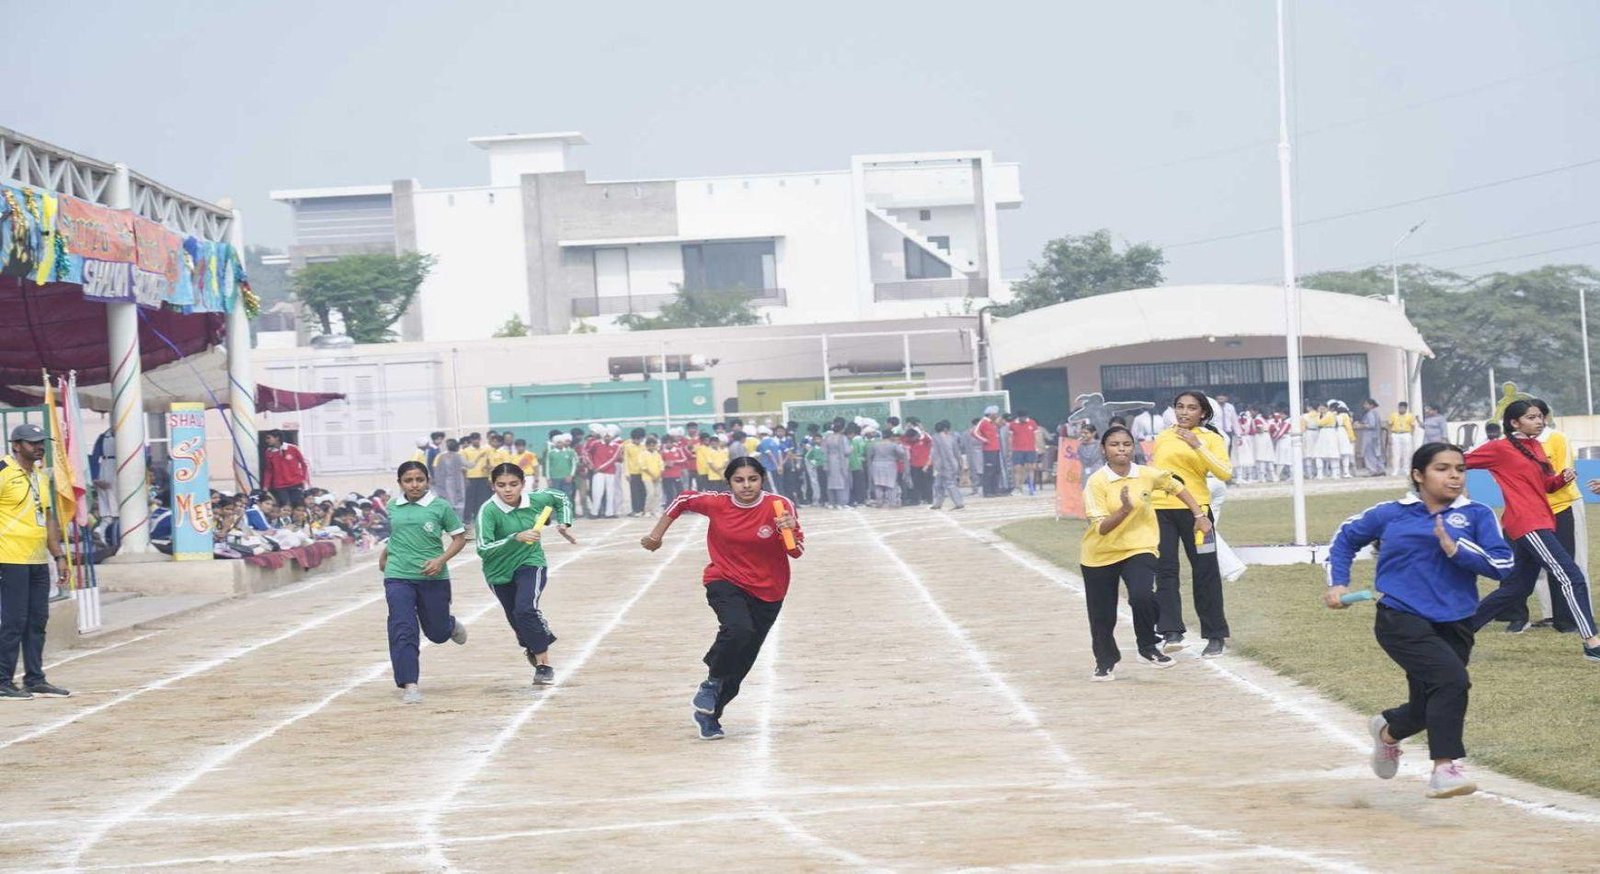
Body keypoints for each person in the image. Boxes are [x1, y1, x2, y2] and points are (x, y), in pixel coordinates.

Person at [1325, 442, 1514, 799]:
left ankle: (1388, 732)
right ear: (1418, 475)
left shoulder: (1477, 514)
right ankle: (1445, 768)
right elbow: (1346, 538)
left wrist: (1456, 548)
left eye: (1460, 469)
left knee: (1428, 706)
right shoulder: (1391, 513)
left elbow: (1503, 565)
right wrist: (1338, 583)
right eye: (1442, 469)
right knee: (1452, 680)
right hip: (1400, 617)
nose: (1454, 476)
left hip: (1456, 621)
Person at [641, 457, 803, 740]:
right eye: (739, 480)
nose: (746, 485)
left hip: (769, 591)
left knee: (741, 663)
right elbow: (681, 500)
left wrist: (787, 529)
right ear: (729, 483)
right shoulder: (717, 503)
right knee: (738, 629)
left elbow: (796, 552)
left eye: (752, 479)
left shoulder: (779, 506)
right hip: (725, 580)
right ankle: (711, 683)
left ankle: (710, 716)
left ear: (762, 480)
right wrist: (656, 536)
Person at [1465, 399, 1600, 661]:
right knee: (1571, 576)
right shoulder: (1499, 448)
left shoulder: (1535, 446)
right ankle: (1591, 642)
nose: (1539, 421)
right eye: (1531, 417)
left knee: (1516, 588)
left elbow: (1546, 486)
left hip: (1542, 520)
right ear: (1514, 423)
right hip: (1527, 522)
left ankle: (1457, 631)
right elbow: (1461, 460)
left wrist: (1561, 479)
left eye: (1540, 416)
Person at [1082, 425, 1209, 680]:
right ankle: (1105, 661)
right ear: (1103, 449)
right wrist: (1124, 510)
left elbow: (1176, 486)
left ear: (1133, 447)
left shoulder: (1146, 474)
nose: (1121, 449)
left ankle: (1147, 646)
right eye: (1114, 445)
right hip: (1100, 554)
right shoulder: (1096, 482)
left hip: (1140, 546)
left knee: (1142, 595)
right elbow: (1102, 528)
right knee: (1102, 616)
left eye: (1126, 444)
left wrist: (1199, 515)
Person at [476, 463, 577, 686]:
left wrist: (564, 522)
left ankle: (544, 665)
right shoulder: (488, 511)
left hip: (531, 562)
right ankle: (535, 640)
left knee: (525, 609)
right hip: (498, 571)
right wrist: (515, 538)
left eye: (513, 484)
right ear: (493, 486)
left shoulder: (535, 499)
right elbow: (482, 548)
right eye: (501, 485)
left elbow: (560, 497)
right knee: (516, 618)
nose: (508, 490)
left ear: (523, 484)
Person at [1150, 391, 1233, 657]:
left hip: (1198, 514)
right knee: (1165, 570)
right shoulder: (1163, 437)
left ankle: (1215, 634)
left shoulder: (1211, 439)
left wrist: (1197, 445)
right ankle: (1171, 631)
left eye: (1191, 408)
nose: (1184, 412)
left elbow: (1224, 472)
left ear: (1203, 413)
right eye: (1180, 407)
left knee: (1205, 571)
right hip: (1161, 510)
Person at [379, 460, 469, 704]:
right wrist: (384, 556)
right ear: (400, 483)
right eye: (408, 480)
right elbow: (397, 535)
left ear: (428, 481)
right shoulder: (393, 505)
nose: (414, 485)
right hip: (398, 575)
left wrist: (440, 560)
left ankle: (448, 624)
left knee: (437, 633)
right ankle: (410, 684)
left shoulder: (440, 507)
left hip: (432, 577)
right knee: (402, 627)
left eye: (419, 479)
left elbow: (459, 538)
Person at [0, 424, 72, 700]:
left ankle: (34, 679)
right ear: (16, 445)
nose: (39, 447)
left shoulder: (40, 477)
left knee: (37, 620)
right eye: (32, 442)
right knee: (14, 621)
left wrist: (59, 556)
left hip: (38, 559)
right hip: (10, 558)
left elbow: (48, 518)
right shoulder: (3, 472)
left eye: (41, 442)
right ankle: (2, 680)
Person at [262, 430, 310, 509]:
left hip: (295, 483)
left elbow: (304, 463)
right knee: (285, 506)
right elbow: (268, 470)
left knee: (297, 506)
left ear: (277, 438)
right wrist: (266, 486)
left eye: (269, 438)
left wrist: (304, 479)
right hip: (280, 485)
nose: (267, 440)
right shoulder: (268, 452)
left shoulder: (292, 448)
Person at [929, 420, 967, 511]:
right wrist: (961, 463)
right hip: (949, 464)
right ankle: (938, 503)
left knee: (947, 484)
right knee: (940, 484)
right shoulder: (951, 438)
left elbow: (935, 453)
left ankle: (958, 503)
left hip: (944, 465)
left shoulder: (936, 438)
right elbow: (957, 453)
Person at [867, 428, 907, 507]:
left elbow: (870, 455)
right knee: (890, 484)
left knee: (878, 484)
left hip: (876, 465)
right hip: (890, 465)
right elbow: (902, 453)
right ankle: (891, 502)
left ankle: (879, 502)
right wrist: (897, 457)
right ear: (891, 436)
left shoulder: (875, 444)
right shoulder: (893, 445)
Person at [973, 407, 1003, 497]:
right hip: (988, 450)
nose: (997, 416)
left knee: (997, 470)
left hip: (996, 449)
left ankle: (995, 490)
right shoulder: (983, 422)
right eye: (995, 414)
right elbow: (974, 432)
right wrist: (984, 440)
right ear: (991, 414)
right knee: (989, 470)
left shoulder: (992, 423)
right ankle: (987, 491)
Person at [1009, 410, 1041, 496]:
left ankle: (1031, 487)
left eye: (1025, 417)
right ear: (1019, 417)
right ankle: (1018, 488)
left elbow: (1037, 436)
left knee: (1031, 468)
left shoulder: (1032, 423)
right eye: (1022, 418)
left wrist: (1037, 447)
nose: (1024, 419)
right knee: (1017, 469)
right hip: (1017, 450)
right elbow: (1010, 437)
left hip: (1030, 449)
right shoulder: (1013, 424)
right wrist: (1010, 449)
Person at [1356, 399, 1385, 476]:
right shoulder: (1376, 413)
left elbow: (1371, 425)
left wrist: (1360, 425)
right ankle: (1380, 469)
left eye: (1366, 404)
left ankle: (1373, 470)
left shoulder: (1370, 413)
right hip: (1376, 436)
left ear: (1371, 405)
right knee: (1377, 454)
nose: (1364, 406)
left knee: (1369, 454)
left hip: (1369, 436)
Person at [624, 428, 649, 517]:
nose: (638, 441)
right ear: (633, 438)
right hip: (633, 473)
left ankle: (643, 509)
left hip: (644, 472)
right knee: (634, 492)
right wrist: (627, 473)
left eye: (640, 439)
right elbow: (626, 460)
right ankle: (636, 510)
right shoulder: (628, 446)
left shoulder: (644, 446)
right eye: (637, 439)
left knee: (643, 491)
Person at [1388, 402, 1418, 476]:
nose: (1401, 409)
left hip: (1406, 434)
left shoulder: (1410, 416)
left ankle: (1406, 469)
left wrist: (1411, 435)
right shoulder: (1393, 415)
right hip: (1396, 434)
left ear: (1406, 408)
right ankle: (1395, 470)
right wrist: (1390, 435)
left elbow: (1413, 426)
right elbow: (1389, 425)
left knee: (1407, 452)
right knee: (1396, 453)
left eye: (1403, 408)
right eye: (1400, 408)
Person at [640, 437, 664, 516]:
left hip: (657, 477)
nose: (652, 447)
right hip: (647, 477)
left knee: (657, 494)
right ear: (647, 446)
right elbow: (643, 467)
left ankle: (655, 510)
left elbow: (661, 465)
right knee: (650, 493)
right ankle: (647, 510)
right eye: (650, 445)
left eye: (653, 445)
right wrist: (653, 476)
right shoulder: (643, 454)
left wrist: (658, 475)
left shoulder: (657, 454)